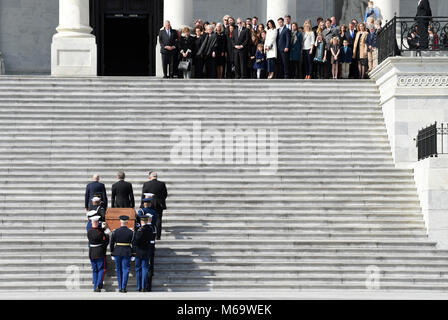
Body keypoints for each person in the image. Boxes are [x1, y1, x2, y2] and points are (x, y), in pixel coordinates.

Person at [110, 215, 134, 293]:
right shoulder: (131, 232)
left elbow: (111, 243)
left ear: (120, 221)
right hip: (127, 251)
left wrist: (112, 253)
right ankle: (124, 287)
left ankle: (120, 287)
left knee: (119, 270)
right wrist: (133, 254)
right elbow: (134, 244)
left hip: (117, 251)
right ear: (127, 222)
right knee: (126, 269)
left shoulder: (115, 231)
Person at [133, 214, 157, 292]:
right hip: (147, 251)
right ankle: (144, 286)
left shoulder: (140, 230)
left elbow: (136, 240)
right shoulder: (150, 229)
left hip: (139, 252)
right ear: (146, 221)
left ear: (141, 221)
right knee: (145, 269)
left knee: (138, 269)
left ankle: (139, 287)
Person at [141, 171, 168, 240]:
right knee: (159, 220)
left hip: (149, 204)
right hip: (159, 204)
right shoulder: (162, 184)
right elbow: (165, 194)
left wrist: (142, 204)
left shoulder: (146, 184)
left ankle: (150, 234)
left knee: (149, 219)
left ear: (150, 177)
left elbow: (143, 195)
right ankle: (158, 236)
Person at [87, 215, 109, 292]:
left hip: (92, 252)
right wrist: (106, 232)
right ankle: (99, 285)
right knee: (101, 269)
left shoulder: (89, 231)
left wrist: (101, 230)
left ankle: (95, 286)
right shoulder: (99, 233)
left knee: (95, 270)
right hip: (99, 252)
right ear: (96, 222)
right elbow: (106, 241)